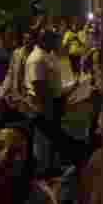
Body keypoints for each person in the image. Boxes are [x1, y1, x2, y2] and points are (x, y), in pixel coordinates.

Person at [25, 29, 83, 173]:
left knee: (52, 140)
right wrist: (48, 109)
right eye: (55, 40)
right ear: (45, 40)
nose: (58, 43)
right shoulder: (37, 59)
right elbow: (38, 87)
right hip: (45, 106)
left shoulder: (48, 55)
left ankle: (52, 167)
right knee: (44, 141)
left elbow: (54, 84)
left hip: (53, 103)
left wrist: (70, 88)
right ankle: (43, 170)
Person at [0, 30, 35, 118]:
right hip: (17, 91)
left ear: (34, 40)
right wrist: (3, 91)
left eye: (29, 39)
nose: (26, 41)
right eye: (25, 38)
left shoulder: (36, 55)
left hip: (31, 92)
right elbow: (10, 73)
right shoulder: (17, 53)